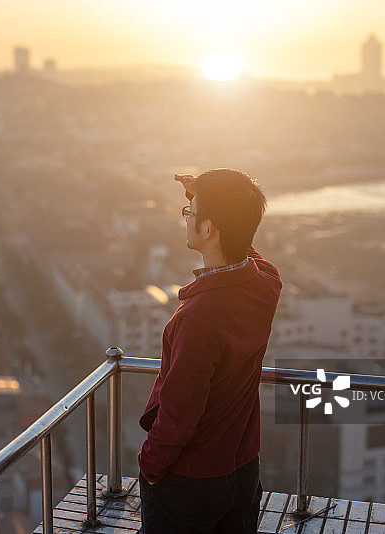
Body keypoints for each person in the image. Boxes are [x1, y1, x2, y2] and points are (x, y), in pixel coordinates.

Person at [137, 168, 282, 534]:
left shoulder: (198, 318)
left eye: (191, 213)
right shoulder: (266, 284)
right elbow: (244, 248)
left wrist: (150, 465)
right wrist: (202, 199)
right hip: (243, 470)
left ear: (208, 228)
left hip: (191, 481)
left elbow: (179, 412)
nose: (186, 218)